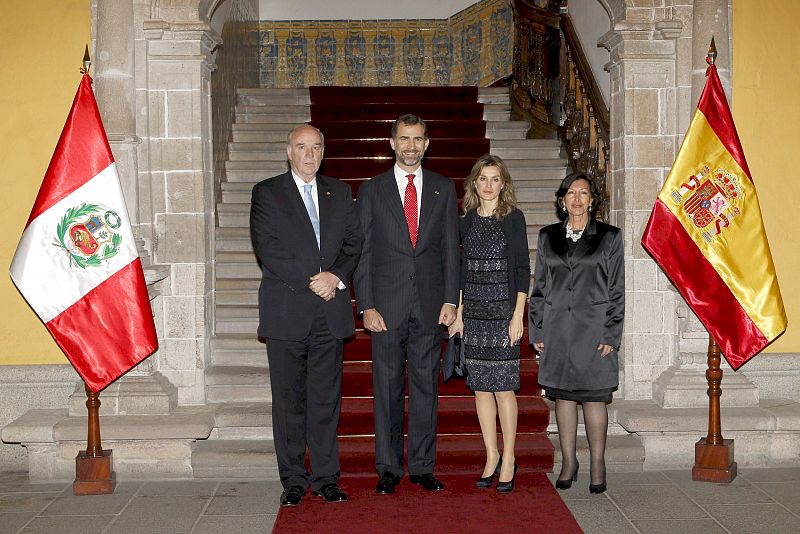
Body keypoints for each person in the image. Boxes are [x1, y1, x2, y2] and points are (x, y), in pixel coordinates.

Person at [250, 124, 363, 507]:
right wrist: (311, 280)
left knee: (325, 400)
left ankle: (327, 477)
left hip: (329, 312)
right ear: (289, 152)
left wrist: (336, 276)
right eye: (302, 147)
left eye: (316, 147)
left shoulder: (340, 192)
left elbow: (353, 243)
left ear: (323, 151)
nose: (310, 154)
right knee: (288, 402)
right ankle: (294, 479)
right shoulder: (267, 193)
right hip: (286, 311)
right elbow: (268, 248)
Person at [354, 114, 459, 495]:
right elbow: (363, 251)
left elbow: (450, 248)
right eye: (404, 139)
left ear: (427, 144)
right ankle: (387, 468)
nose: (411, 146)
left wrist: (451, 298)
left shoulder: (443, 189)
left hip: (431, 304)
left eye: (417, 139)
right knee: (386, 386)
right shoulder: (372, 190)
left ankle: (422, 466)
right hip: (385, 305)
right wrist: (365, 303)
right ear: (392, 143)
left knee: (426, 388)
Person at [529, 173, 624, 494]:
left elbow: (617, 290)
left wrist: (611, 334)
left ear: (593, 200)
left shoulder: (609, 237)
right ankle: (569, 462)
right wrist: (537, 328)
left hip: (595, 331)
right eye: (571, 192)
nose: (578, 198)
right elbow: (539, 287)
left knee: (595, 399)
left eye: (584, 192)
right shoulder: (547, 237)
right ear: (562, 200)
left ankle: (598, 463)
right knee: (564, 399)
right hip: (557, 330)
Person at [448, 154, 530, 493]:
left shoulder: (513, 218)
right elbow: (462, 272)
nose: (489, 185)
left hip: (503, 314)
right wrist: (460, 314)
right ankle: (491, 456)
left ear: (503, 184)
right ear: (474, 183)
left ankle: (509, 457)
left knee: (504, 388)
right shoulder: (464, 220)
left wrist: (517, 316)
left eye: (495, 179)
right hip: (476, 314)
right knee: (481, 388)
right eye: (483, 178)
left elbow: (523, 269)